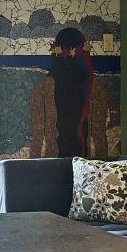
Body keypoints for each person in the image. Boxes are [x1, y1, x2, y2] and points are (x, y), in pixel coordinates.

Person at [48, 27, 93, 158]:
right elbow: (87, 73)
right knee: (76, 129)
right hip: (77, 98)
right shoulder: (80, 77)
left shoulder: (54, 77)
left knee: (64, 128)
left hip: (64, 96)